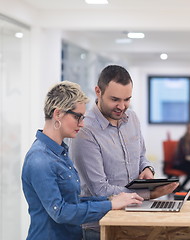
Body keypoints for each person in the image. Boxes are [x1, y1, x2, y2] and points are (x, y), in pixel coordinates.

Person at [21, 81, 143, 240]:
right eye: (77, 117)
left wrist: (111, 199)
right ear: (58, 114)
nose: (82, 123)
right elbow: (60, 212)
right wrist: (110, 205)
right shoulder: (40, 159)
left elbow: (73, 200)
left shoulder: (60, 152)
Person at [70, 65, 178, 238]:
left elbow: (142, 156)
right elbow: (100, 190)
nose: (122, 106)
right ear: (98, 91)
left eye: (127, 99)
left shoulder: (132, 119)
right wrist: (149, 194)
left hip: (134, 219)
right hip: (101, 227)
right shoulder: (85, 131)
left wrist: (147, 170)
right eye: (115, 99)